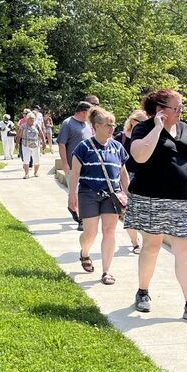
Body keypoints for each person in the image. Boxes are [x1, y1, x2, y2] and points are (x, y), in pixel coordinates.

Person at [126, 89, 187, 321]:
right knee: (152, 245)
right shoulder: (144, 128)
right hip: (151, 196)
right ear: (160, 110)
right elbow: (139, 156)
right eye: (176, 108)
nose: (180, 112)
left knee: (184, 248)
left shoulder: (184, 127)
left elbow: (185, 155)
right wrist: (158, 128)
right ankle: (143, 292)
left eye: (181, 108)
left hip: (182, 197)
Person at [68, 107, 129, 286]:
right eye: (108, 125)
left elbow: (123, 173)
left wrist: (129, 194)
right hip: (88, 193)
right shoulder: (83, 147)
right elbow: (75, 173)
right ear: (96, 126)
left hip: (111, 195)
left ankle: (106, 271)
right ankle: (85, 252)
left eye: (113, 125)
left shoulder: (117, 147)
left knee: (109, 231)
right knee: (90, 233)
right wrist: (72, 195)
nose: (112, 128)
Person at [57, 101, 94, 232]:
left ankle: (74, 210)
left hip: (87, 166)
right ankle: (82, 220)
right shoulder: (68, 123)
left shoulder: (88, 125)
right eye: (90, 113)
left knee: (83, 193)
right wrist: (65, 163)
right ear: (83, 112)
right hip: (72, 166)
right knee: (78, 193)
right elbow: (62, 144)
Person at [118, 109, 148, 254]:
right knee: (129, 211)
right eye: (142, 121)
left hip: (143, 176)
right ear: (133, 121)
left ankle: (142, 240)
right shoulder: (121, 138)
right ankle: (135, 242)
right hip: (125, 177)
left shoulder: (148, 137)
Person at [17, 112, 44, 178]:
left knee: (36, 160)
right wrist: (17, 143)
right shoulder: (23, 126)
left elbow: (41, 133)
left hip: (35, 145)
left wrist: (44, 142)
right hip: (26, 145)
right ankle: (26, 174)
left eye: (33, 120)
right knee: (26, 160)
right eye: (31, 120)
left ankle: (36, 172)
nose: (32, 121)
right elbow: (19, 135)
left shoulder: (37, 125)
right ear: (27, 119)